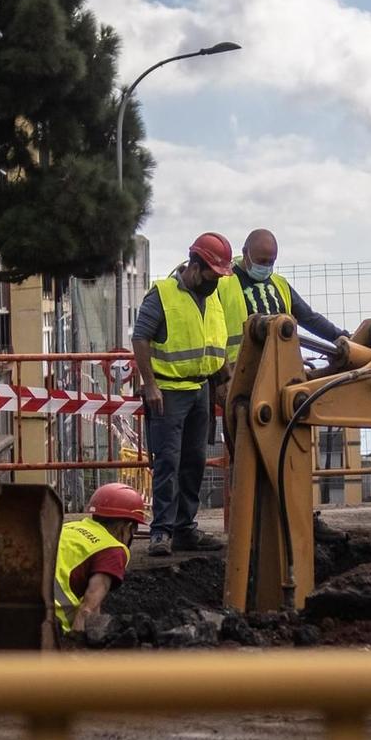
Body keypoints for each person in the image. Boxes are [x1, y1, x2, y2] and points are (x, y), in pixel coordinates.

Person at [131, 233, 231, 556]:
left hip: (200, 388)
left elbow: (214, 341)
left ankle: (185, 528)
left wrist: (222, 380)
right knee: (168, 462)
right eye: (212, 274)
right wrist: (150, 384)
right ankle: (162, 531)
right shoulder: (162, 295)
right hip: (169, 392)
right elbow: (141, 338)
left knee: (194, 461)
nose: (215, 282)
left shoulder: (211, 296)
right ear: (195, 266)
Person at [216, 228, 346, 362]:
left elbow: (309, 318)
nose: (266, 267)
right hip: (240, 371)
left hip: (281, 367)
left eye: (270, 262)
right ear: (245, 253)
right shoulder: (223, 284)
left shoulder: (280, 284)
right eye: (261, 261)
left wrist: (340, 336)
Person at [54, 482, 148, 641]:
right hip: (47, 625)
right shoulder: (113, 549)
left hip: (7, 607)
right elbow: (87, 609)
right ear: (129, 527)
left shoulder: (69, 527)